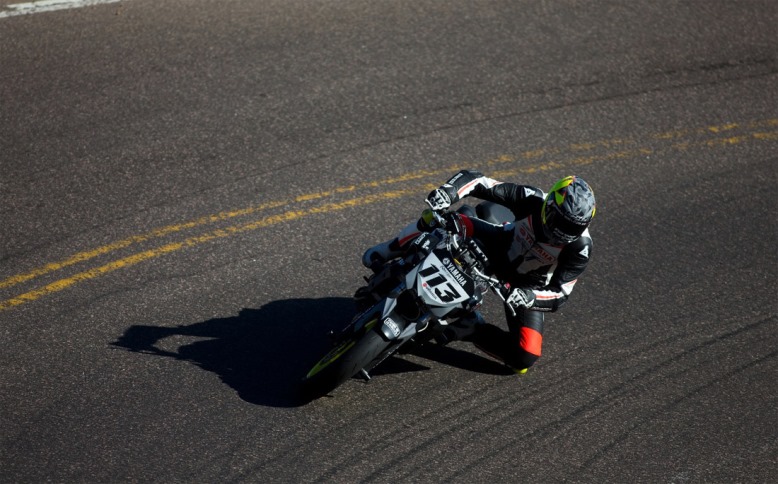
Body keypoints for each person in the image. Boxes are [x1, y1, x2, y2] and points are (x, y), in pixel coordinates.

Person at [361, 170, 596, 374]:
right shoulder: (532, 199)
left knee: (525, 355)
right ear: (549, 204)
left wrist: (530, 297)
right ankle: (388, 251)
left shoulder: (580, 248)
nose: (561, 232)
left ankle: (471, 327)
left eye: (572, 228)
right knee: (445, 220)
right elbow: (480, 182)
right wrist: (449, 191)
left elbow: (561, 293)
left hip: (524, 284)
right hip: (497, 243)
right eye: (560, 221)